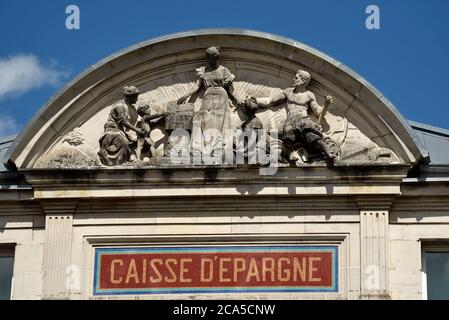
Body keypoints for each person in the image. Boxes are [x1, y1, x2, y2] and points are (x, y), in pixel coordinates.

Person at [254, 70, 336, 162]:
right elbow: (269, 101)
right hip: (290, 119)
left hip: (303, 120)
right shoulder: (288, 92)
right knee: (288, 138)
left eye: (296, 78)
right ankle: (290, 156)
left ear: (303, 81)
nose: (293, 79)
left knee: (313, 137)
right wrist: (255, 100)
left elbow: (318, 112)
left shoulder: (309, 95)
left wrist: (326, 105)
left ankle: (327, 153)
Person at [177, 46, 244, 157]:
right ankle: (201, 147)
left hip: (221, 97)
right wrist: (185, 95)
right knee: (200, 118)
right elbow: (197, 86)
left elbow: (231, 90)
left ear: (218, 58)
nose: (213, 61)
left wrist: (238, 99)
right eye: (211, 58)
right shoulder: (203, 70)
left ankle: (218, 147)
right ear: (208, 58)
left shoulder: (224, 70)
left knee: (220, 122)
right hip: (208, 96)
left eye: (215, 58)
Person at [98, 86, 145, 166]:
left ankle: (122, 158)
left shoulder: (132, 107)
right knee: (123, 142)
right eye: (135, 97)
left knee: (130, 142)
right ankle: (107, 156)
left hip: (122, 131)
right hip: (112, 130)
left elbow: (138, 118)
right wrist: (137, 130)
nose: (137, 99)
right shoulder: (119, 106)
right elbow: (124, 122)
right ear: (130, 97)